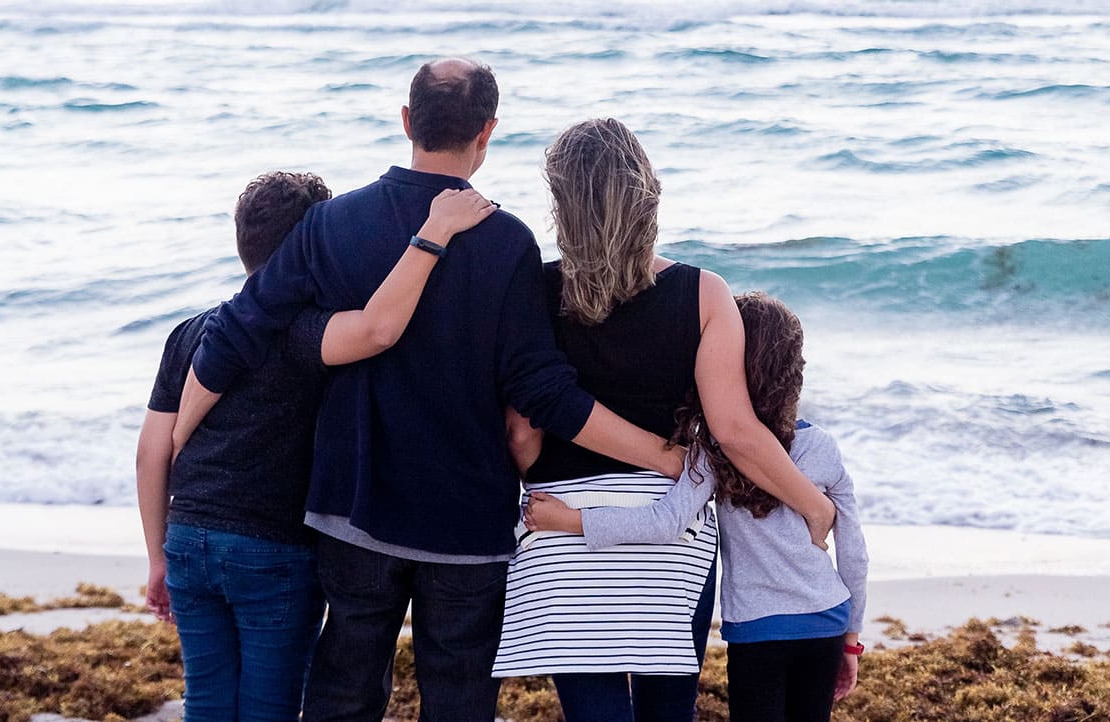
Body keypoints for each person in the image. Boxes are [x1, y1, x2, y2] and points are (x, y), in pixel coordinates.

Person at [168, 59, 698, 721]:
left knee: (343, 694)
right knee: (459, 699)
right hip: (466, 521)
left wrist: (179, 438)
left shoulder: (331, 224)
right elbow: (541, 393)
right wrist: (662, 456)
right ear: (488, 130)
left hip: (353, 506)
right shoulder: (507, 242)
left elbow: (238, 332)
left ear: (406, 120)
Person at [489, 118, 839, 722]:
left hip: (564, 535)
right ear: (647, 193)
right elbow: (735, 432)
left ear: (561, 203)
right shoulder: (704, 292)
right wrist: (813, 505)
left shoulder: (534, 292)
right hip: (669, 538)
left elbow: (521, 433)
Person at [136, 171, 495, 721]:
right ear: (314, 245)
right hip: (273, 548)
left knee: (207, 701)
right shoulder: (304, 334)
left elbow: (150, 453)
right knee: (270, 707)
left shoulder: (190, 332)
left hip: (188, 538)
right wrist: (433, 235)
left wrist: (157, 556)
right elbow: (378, 328)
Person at [527, 292, 870, 722]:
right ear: (792, 369)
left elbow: (665, 522)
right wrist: (852, 639)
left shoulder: (713, 448)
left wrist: (570, 520)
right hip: (827, 620)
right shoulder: (821, 446)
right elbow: (854, 553)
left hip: (758, 630)